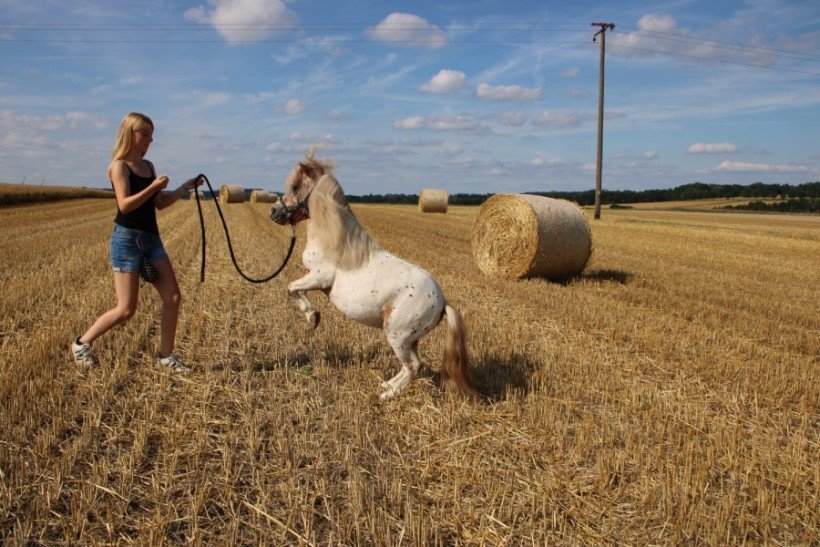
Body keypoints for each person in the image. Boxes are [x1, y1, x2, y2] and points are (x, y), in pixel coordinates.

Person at [71, 112, 202, 372]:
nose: (149, 140)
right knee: (126, 308)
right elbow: (125, 205)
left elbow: (160, 204)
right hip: (127, 240)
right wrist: (153, 187)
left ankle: (166, 357)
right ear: (130, 133)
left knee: (173, 297)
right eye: (145, 135)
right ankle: (81, 343)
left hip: (152, 240)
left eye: (152, 136)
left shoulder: (149, 167)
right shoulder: (119, 166)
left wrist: (185, 188)